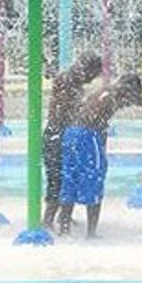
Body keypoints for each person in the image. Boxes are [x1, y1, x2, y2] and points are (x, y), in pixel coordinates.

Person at [58, 74, 142, 238]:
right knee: (94, 179)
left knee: (70, 179)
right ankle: (91, 233)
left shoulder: (101, 92)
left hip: (70, 134)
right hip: (87, 136)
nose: (129, 102)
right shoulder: (121, 91)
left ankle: (64, 229)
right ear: (130, 87)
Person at [42, 54, 103, 229]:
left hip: (65, 136)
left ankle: (62, 217)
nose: (92, 80)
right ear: (86, 69)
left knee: (67, 178)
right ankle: (47, 221)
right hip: (56, 136)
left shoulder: (73, 83)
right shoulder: (67, 81)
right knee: (57, 179)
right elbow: (66, 113)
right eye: (93, 74)